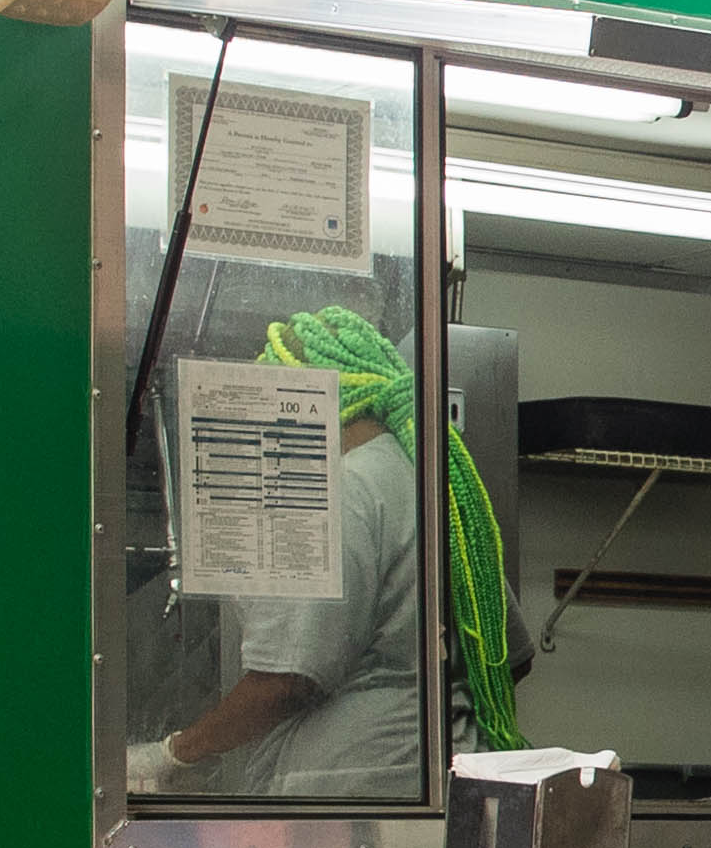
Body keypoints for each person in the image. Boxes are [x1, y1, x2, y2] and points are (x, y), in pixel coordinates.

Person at [127, 309, 519, 800]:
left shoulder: (342, 487)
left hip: (353, 787)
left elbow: (286, 680)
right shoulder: (429, 480)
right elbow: (510, 653)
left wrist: (172, 754)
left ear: (309, 398)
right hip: (443, 775)